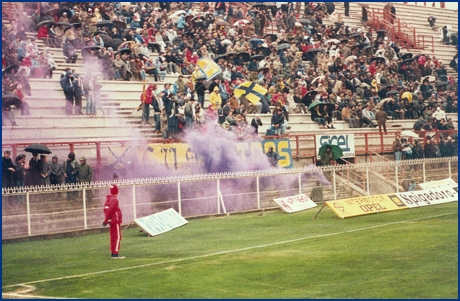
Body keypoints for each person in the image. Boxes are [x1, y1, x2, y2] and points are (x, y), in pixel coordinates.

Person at [102, 184, 125, 259]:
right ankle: (115, 253)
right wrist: (106, 220)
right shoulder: (115, 200)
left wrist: (107, 219)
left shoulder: (108, 199)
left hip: (112, 220)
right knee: (117, 237)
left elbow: (106, 210)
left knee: (112, 236)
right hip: (115, 220)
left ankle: (113, 252)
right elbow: (111, 210)